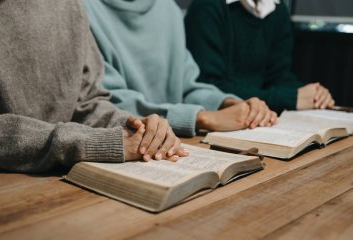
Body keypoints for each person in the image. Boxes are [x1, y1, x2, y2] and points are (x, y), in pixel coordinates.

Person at [0, 0, 187, 173]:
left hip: (68, 175)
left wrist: (130, 125)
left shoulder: (70, 5)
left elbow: (86, 101)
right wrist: (93, 142)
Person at [84, 0, 278, 138]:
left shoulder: (169, 8)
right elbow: (103, 100)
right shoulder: (80, 10)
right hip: (127, 141)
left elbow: (187, 85)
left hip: (177, 142)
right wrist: (202, 118)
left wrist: (230, 103)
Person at [185, 0, 335, 113]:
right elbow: (208, 86)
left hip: (263, 116)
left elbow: (279, 76)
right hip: (223, 117)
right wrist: (292, 98)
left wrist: (314, 96)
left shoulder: (277, 9)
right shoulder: (207, 7)